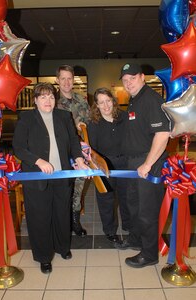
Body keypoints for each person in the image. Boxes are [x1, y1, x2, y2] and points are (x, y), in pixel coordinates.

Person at [12, 82, 89, 274]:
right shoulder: (26, 118)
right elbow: (19, 147)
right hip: (37, 176)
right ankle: (44, 256)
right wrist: (38, 160)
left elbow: (73, 140)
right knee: (40, 217)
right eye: (43, 97)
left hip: (62, 175)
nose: (48, 100)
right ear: (36, 100)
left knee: (61, 213)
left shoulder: (64, 116)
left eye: (51, 97)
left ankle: (63, 247)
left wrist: (79, 159)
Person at [115, 63, 170, 268]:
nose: (128, 82)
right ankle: (137, 239)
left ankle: (149, 254)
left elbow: (163, 134)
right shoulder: (134, 100)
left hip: (148, 162)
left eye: (132, 78)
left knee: (147, 211)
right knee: (134, 205)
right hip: (134, 163)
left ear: (142, 77)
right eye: (125, 79)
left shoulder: (151, 99)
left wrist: (147, 164)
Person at [87, 87, 130, 243]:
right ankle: (110, 231)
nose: (105, 106)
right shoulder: (94, 123)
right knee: (106, 199)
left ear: (113, 101)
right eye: (101, 103)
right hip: (104, 165)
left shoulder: (124, 117)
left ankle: (128, 225)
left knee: (126, 197)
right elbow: (91, 150)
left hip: (125, 163)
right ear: (96, 105)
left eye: (108, 101)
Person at [56, 64, 90, 237]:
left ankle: (75, 222)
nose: (67, 82)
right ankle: (62, 222)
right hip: (60, 153)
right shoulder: (51, 101)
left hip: (80, 153)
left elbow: (90, 122)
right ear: (57, 80)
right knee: (62, 188)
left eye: (69, 78)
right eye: (63, 78)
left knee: (78, 186)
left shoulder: (81, 100)